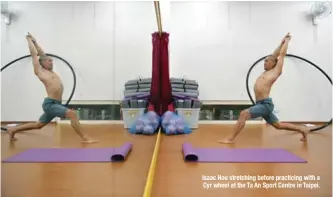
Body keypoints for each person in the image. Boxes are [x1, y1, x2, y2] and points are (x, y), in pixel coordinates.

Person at [4, 33, 97, 144]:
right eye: (49, 61)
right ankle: (85, 138)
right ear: (42, 63)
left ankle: (13, 130)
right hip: (50, 104)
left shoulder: (50, 71)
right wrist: (29, 40)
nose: (51, 61)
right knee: (72, 114)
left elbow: (42, 54)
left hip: (56, 103)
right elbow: (35, 55)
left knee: (39, 125)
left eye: (51, 60)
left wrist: (35, 42)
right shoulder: (40, 71)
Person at [219, 33, 309, 144]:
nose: (264, 62)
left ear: (273, 63)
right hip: (260, 104)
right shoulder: (266, 72)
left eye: (267, 61)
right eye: (264, 61)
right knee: (278, 125)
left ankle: (230, 139)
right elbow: (275, 54)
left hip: (265, 105)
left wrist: (287, 41)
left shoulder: (275, 71)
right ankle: (302, 130)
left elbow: (281, 55)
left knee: (244, 113)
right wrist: (281, 42)